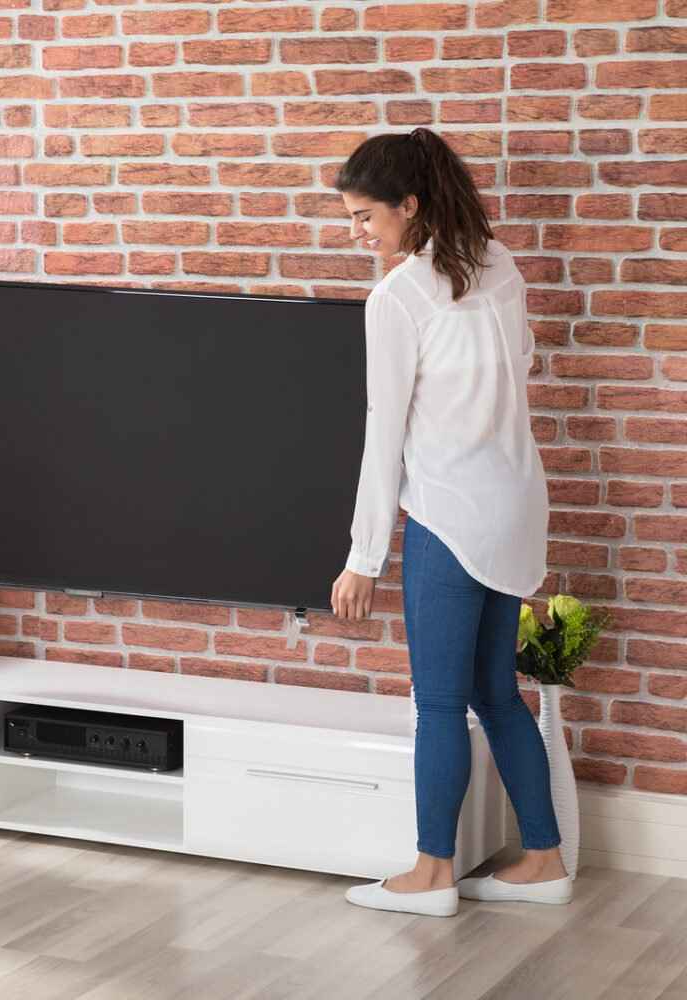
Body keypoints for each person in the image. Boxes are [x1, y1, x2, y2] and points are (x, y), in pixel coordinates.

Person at [330, 128, 571, 918]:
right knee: (497, 693)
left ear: (410, 205)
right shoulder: (502, 267)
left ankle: (433, 874)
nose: (358, 233)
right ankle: (544, 857)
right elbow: (524, 360)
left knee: (438, 701)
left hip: (447, 513)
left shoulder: (398, 297)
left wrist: (364, 555)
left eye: (367, 217)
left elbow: (382, 430)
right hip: (512, 507)